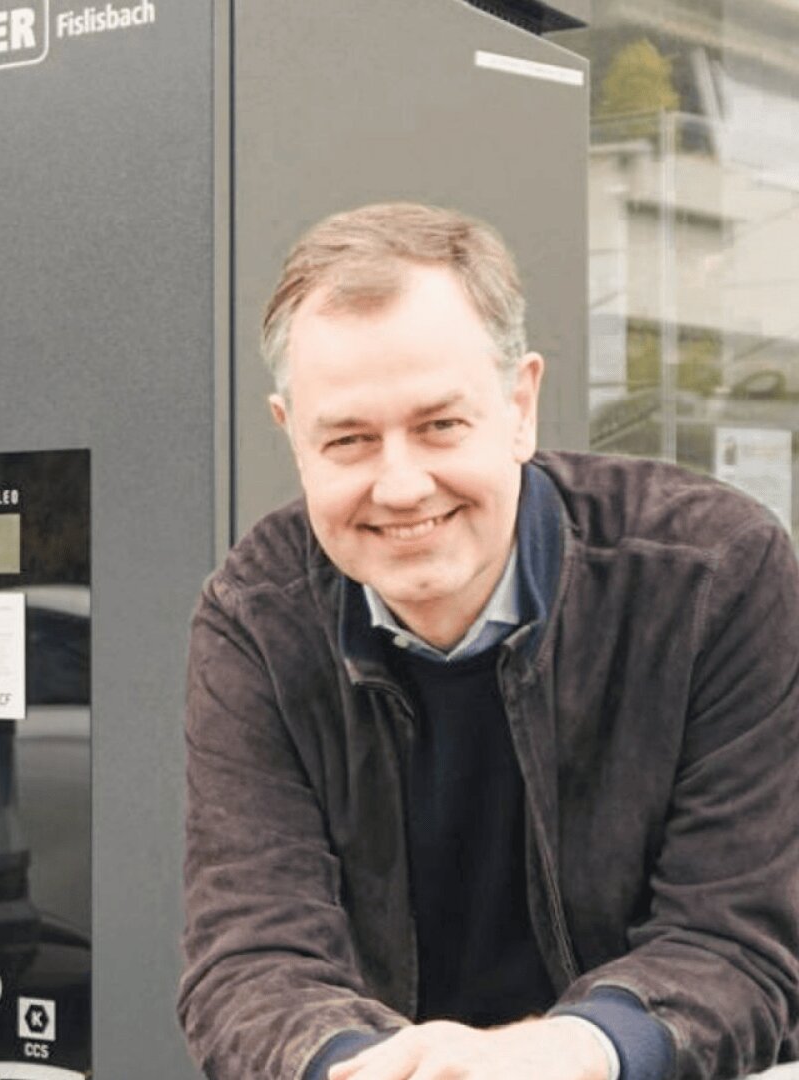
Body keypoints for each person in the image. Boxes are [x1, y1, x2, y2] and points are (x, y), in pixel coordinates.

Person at [178, 202, 799, 1080]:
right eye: (349, 439)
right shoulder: (257, 618)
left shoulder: (715, 575)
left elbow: (733, 941)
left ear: (520, 404)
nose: (399, 484)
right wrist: (358, 1069)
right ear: (293, 437)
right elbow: (248, 958)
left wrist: (562, 1056)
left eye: (439, 425)